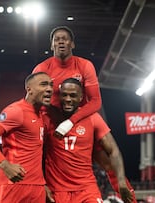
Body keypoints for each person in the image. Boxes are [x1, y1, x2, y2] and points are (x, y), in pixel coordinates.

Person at [33, 25, 137, 202]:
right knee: (34, 154)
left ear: (72, 43)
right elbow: (35, 101)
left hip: (81, 121)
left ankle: (128, 196)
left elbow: (95, 102)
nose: (60, 41)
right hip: (52, 122)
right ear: (51, 45)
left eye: (64, 38)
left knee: (108, 162)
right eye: (56, 39)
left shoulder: (84, 65)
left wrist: (71, 122)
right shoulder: (42, 69)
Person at [43, 78, 134, 203]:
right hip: (57, 191)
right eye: (64, 95)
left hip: (86, 190)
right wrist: (42, 184)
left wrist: (121, 182)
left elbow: (113, 150)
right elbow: (35, 153)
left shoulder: (92, 117)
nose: (68, 99)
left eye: (73, 95)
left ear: (81, 98)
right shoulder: (48, 119)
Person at [0, 72, 53, 203]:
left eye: (51, 85)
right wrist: (5, 165)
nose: (49, 89)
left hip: (37, 187)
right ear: (29, 89)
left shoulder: (41, 115)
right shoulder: (16, 111)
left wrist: (42, 183)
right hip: (13, 183)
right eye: (44, 84)